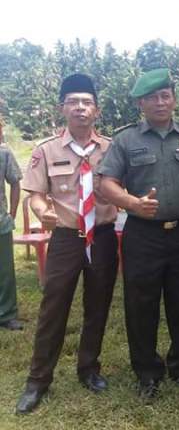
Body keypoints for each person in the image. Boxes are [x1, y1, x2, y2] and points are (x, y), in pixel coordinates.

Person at [98, 68, 179, 399]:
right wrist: (131, 202)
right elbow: (105, 183)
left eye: (165, 95)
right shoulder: (125, 139)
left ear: (173, 98)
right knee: (141, 304)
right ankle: (147, 372)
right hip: (143, 235)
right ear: (140, 104)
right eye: (151, 98)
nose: (159, 102)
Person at [16, 74, 119, 414]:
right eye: (73, 101)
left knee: (98, 304)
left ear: (96, 110)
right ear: (62, 108)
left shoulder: (111, 148)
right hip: (66, 238)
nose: (80, 107)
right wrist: (42, 211)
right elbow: (35, 194)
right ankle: (38, 380)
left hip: (102, 236)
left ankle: (89, 368)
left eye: (86, 102)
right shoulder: (46, 150)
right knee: (53, 308)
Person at [0, 118, 23, 331]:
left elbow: (15, 182)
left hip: (1, 223)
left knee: (4, 272)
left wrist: (12, 213)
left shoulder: (4, 154)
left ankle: (7, 314)